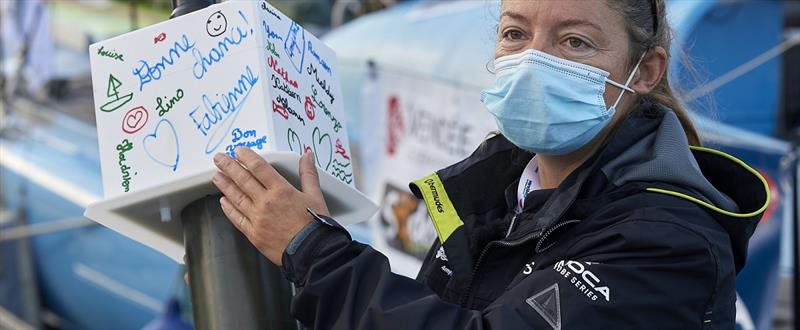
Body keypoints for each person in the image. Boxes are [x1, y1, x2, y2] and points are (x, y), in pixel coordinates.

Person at [210, 0, 769, 328]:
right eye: (515, 34)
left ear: (644, 72)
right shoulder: (500, 188)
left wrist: (313, 252)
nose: (533, 62)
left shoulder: (670, 241)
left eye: (575, 42)